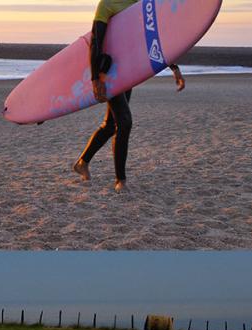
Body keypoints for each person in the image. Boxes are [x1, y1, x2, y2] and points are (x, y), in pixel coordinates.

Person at [73, 0, 186, 192]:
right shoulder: (107, 4)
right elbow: (96, 42)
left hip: (127, 74)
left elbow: (153, 39)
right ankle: (121, 181)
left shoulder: (141, 4)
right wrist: (94, 78)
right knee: (124, 122)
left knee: (111, 125)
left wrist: (174, 68)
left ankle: (82, 162)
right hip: (109, 74)